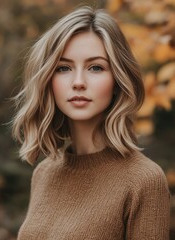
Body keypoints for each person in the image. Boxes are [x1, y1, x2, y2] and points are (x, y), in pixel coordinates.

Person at [12, 6, 170, 240]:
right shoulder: (44, 172)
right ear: (48, 80)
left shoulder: (144, 180)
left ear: (117, 79)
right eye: (63, 68)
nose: (78, 82)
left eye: (95, 67)